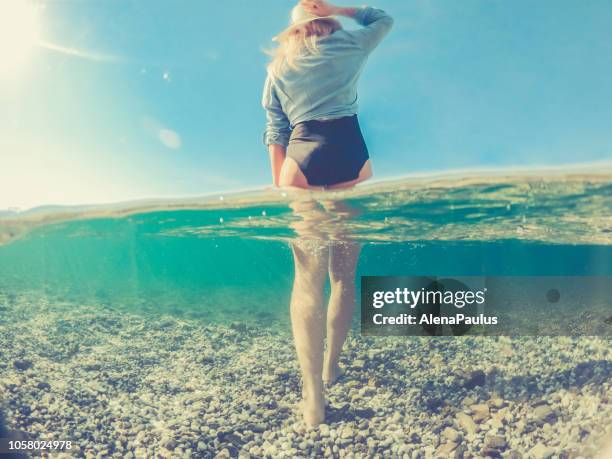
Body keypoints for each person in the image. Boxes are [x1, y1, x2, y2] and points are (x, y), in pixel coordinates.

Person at [261, 0, 393, 427]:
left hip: (301, 156)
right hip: (350, 154)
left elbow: (275, 130)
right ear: (325, 22)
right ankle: (332, 365)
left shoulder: (278, 68)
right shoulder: (350, 46)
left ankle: (313, 394)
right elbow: (383, 19)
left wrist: (283, 184)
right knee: (342, 276)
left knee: (307, 281)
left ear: (293, 31)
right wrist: (340, 7)